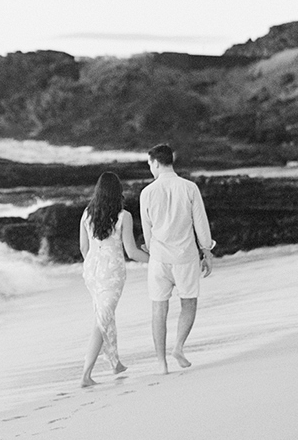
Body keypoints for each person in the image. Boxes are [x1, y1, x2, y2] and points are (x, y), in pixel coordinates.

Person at [138, 143, 214, 374]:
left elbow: (147, 231)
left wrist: (151, 250)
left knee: (158, 309)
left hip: (159, 258)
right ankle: (179, 347)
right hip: (185, 257)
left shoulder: (147, 193)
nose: (150, 168)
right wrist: (207, 251)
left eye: (150, 164)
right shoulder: (189, 188)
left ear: (156, 163)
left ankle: (161, 363)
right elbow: (200, 223)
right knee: (188, 302)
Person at [79, 171, 149, 387]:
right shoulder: (123, 216)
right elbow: (132, 251)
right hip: (112, 273)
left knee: (104, 315)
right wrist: (155, 260)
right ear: (117, 192)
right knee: (101, 320)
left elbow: (83, 248)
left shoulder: (87, 214)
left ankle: (115, 363)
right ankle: (85, 374)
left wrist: (94, 265)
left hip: (92, 270)